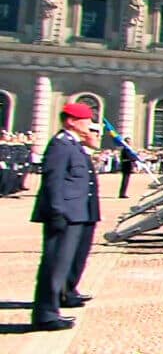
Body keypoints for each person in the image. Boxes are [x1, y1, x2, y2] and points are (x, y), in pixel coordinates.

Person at [31, 103, 101, 331]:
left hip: (76, 213)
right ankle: (46, 314)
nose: (90, 125)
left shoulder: (73, 144)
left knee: (63, 264)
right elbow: (53, 181)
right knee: (54, 266)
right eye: (86, 120)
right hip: (64, 214)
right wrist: (56, 211)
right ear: (71, 121)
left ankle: (58, 301)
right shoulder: (61, 145)